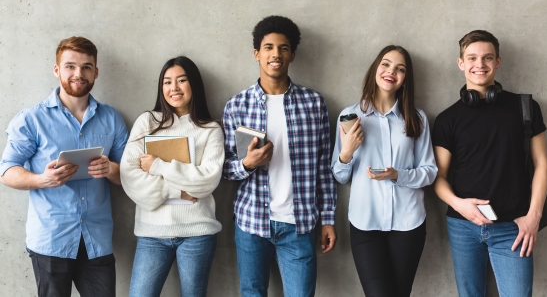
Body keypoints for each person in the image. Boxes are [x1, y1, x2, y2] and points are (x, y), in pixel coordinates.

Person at [0, 36, 129, 297]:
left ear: (96, 72)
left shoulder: (112, 119)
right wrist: (42, 179)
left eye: (86, 67)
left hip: (97, 240)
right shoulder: (31, 119)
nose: (78, 74)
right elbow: (6, 171)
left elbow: (130, 172)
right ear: (57, 70)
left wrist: (112, 170)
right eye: (70, 66)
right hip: (50, 239)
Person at [222, 15, 337, 297]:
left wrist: (329, 218)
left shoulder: (313, 103)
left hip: (299, 223)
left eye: (284, 48)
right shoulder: (237, 105)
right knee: (252, 292)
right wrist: (247, 165)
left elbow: (324, 167)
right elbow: (223, 168)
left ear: (293, 55)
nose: (276, 54)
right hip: (251, 222)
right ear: (257, 54)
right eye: (269, 47)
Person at [432, 30, 547, 296]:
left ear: (498, 61)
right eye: (472, 58)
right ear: (461, 63)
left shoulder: (526, 107)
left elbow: (542, 164)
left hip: (514, 227)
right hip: (463, 226)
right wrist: (459, 204)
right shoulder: (447, 119)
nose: (480, 65)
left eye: (487, 58)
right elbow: (438, 178)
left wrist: (534, 216)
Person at [331, 45, 437, 296]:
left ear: (405, 79)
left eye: (400, 69)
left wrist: (397, 175)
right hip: (365, 223)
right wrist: (346, 153)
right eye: (386, 64)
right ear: (375, 69)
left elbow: (430, 171)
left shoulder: (417, 119)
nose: (391, 72)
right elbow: (340, 175)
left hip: (408, 223)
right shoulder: (349, 116)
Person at [120, 56, 224, 297]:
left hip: (197, 232)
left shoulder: (211, 129)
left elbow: (207, 180)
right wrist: (178, 192)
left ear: (194, 84)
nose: (173, 88)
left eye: (181, 80)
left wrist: (158, 166)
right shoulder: (147, 122)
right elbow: (130, 175)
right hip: (152, 233)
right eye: (167, 82)